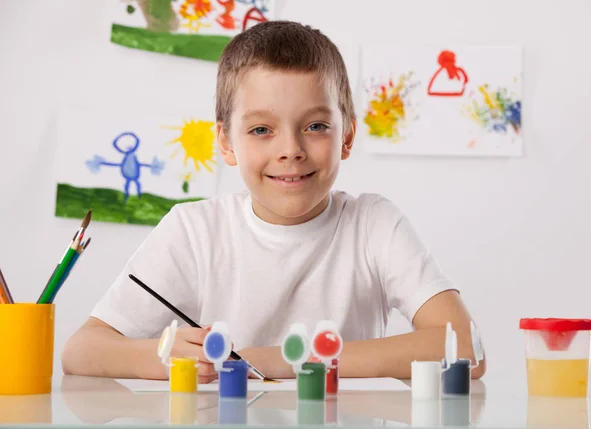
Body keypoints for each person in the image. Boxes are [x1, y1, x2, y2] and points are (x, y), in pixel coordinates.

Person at [62, 20, 485, 382]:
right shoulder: (193, 229)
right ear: (226, 143)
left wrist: (282, 360)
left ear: (348, 136)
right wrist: (163, 353)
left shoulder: (374, 224)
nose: (290, 150)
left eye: (316, 125)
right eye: (262, 130)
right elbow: (80, 352)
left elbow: (465, 346)